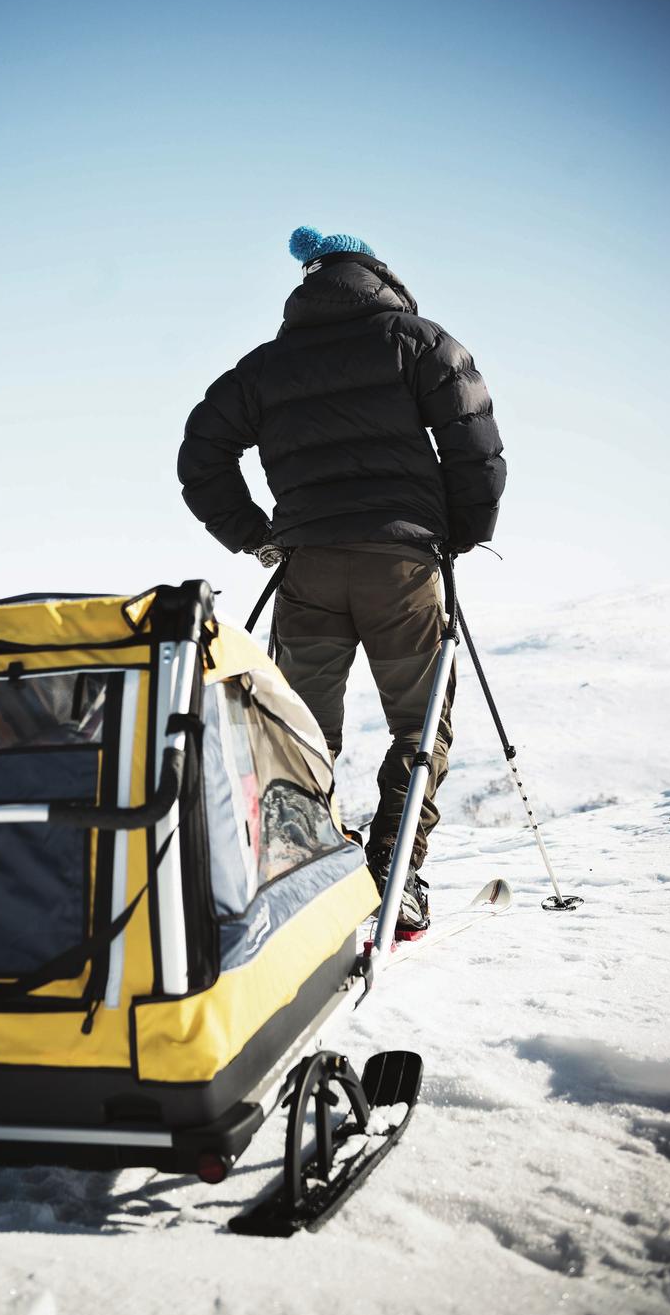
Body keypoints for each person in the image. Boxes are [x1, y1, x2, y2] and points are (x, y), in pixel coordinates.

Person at [177, 226, 506, 934]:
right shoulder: (418, 342)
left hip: (309, 569)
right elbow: (474, 442)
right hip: (404, 565)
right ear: (376, 274)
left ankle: (311, 868)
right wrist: (463, 533)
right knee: (419, 728)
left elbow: (200, 455)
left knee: (300, 730)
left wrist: (256, 535)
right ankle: (396, 873)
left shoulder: (264, 367)